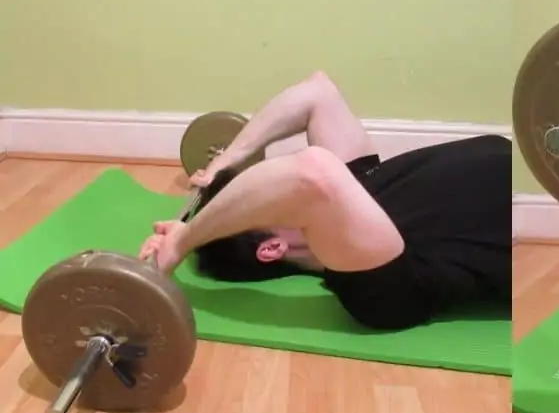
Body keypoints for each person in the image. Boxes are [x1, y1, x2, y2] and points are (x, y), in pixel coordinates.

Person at [139, 70, 511, 331]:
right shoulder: (379, 287)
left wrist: (227, 159)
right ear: (272, 248)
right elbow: (309, 174)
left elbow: (316, 93)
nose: (270, 193)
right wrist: (185, 242)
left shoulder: (357, 184)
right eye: (267, 203)